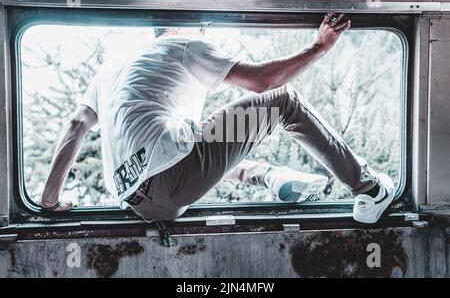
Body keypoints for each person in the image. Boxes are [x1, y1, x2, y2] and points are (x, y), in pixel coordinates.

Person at [40, 13, 395, 224]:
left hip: (138, 201)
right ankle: (370, 188)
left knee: (198, 139)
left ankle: (268, 176)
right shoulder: (184, 44)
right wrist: (319, 46)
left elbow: (76, 125)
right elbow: (261, 82)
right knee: (282, 101)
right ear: (194, 26)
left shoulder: (111, 70)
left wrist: (50, 201)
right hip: (171, 178)